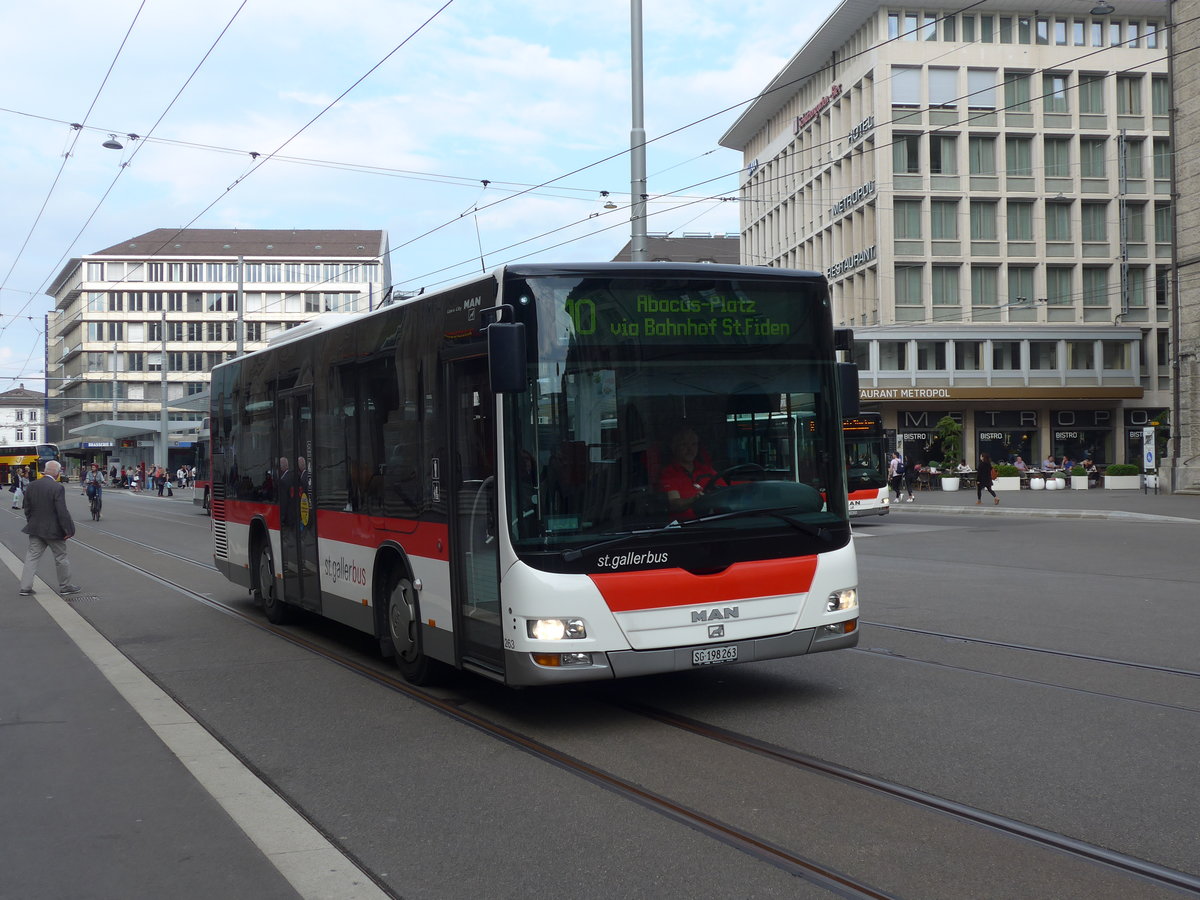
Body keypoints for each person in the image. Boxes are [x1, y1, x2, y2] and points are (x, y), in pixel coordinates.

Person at [17, 460, 80, 596]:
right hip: (54, 531)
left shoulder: (32, 485)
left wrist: (32, 522)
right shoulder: (57, 488)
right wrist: (68, 530)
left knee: (32, 557)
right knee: (61, 557)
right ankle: (65, 586)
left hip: (35, 529)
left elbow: (26, 508)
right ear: (57, 474)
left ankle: (25, 587)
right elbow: (62, 511)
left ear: (45, 471)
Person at [658, 428, 723, 519]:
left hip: (714, 523)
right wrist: (695, 500)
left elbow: (726, 488)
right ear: (674, 447)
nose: (690, 449)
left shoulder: (706, 470)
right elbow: (674, 504)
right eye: (684, 444)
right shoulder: (668, 473)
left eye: (693, 444)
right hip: (685, 528)